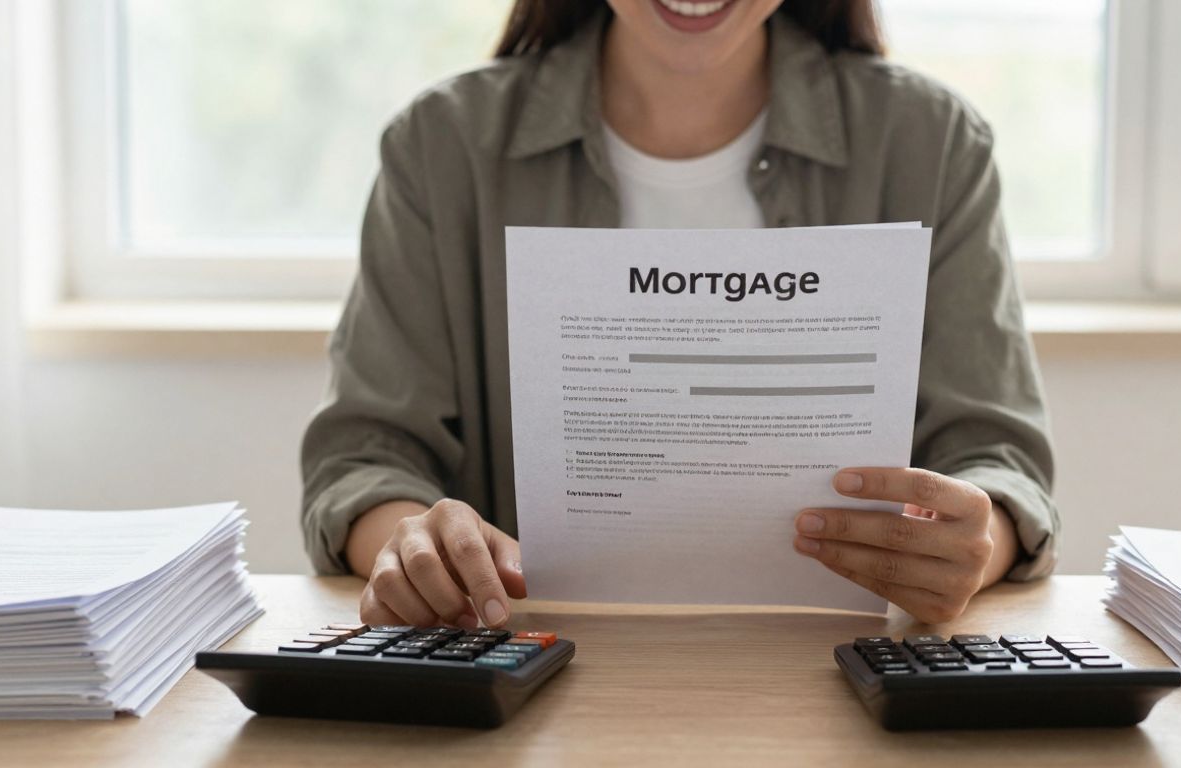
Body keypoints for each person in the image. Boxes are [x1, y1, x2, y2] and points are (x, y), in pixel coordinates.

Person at [301, 0, 1058, 630]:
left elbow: (996, 461)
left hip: (833, 670)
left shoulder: (933, 142)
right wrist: (415, 547)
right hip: (529, 670)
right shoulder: (441, 145)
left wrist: (970, 547)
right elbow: (365, 458)